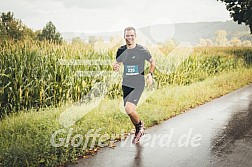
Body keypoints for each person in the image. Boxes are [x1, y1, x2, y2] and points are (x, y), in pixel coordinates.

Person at [113, 27, 155, 144]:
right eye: (127, 35)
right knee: (128, 111)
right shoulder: (121, 50)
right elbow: (117, 62)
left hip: (138, 84)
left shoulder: (142, 50)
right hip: (126, 84)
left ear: (135, 36)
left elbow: (152, 61)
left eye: (132, 35)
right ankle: (138, 129)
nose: (129, 38)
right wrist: (115, 66)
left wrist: (150, 74)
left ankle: (140, 126)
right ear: (124, 36)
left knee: (129, 108)